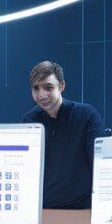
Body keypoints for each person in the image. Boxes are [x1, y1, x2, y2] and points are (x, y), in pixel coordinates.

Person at [20, 61, 104, 210]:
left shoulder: (86, 115)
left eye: (48, 87)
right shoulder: (29, 120)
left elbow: (99, 165)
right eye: (36, 88)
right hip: (42, 208)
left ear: (62, 86)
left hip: (81, 207)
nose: (42, 95)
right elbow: (25, 169)